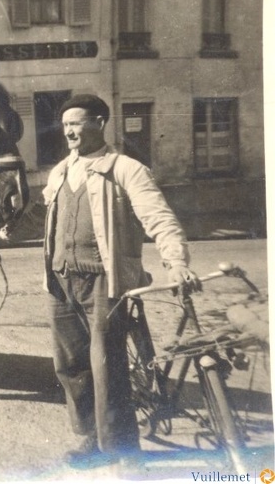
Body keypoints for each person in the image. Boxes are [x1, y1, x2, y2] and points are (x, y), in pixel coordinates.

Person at [42, 94, 200, 471]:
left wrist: (175, 262)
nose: (69, 131)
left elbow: (158, 217)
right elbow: (51, 221)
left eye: (77, 123)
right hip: (61, 280)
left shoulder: (127, 169)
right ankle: (93, 439)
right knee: (71, 366)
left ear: (100, 122)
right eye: (66, 125)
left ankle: (126, 453)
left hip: (104, 282)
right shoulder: (61, 170)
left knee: (108, 367)